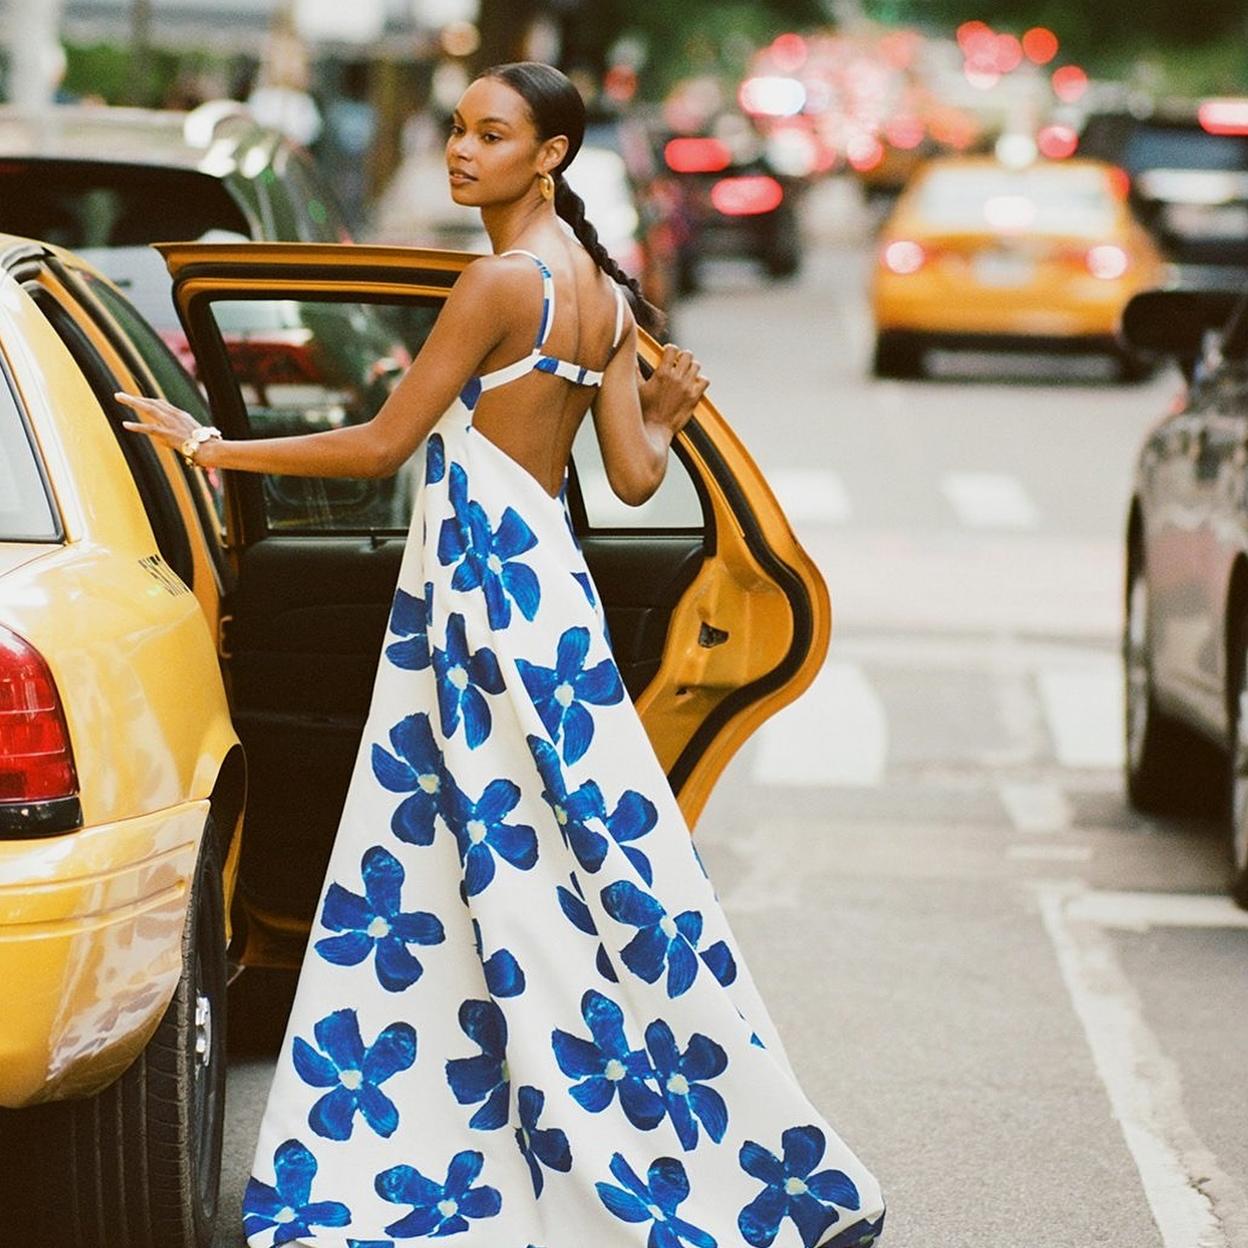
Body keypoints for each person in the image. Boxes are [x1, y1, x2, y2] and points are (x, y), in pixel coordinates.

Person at [117, 61, 885, 1248]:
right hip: (549, 589)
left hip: (478, 589)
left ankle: (450, 1140)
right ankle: (637, 1123)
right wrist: (669, 419)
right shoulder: (603, 297)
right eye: (460, 131)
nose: (461, 153)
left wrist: (214, 447)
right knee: (561, 860)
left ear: (553, 156)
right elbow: (631, 479)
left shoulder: (497, 283)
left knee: (460, 859)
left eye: (492, 135)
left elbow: (382, 448)